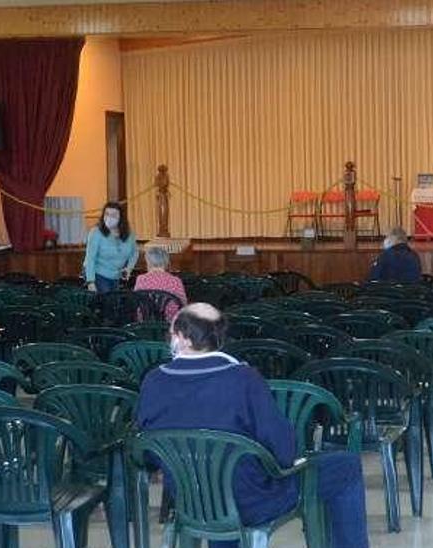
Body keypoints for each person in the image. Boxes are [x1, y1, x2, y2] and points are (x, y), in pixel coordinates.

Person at [137, 303, 370, 548]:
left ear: (183, 339)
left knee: (228, 478)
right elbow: (283, 453)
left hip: (189, 501)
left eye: (171, 333)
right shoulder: (244, 379)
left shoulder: (153, 381)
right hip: (252, 503)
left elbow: (146, 455)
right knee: (346, 465)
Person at [83, 202, 138, 293]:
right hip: (97, 274)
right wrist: (90, 282)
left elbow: (134, 253)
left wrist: (129, 268)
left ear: (121, 218)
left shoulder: (129, 234)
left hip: (116, 276)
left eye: (114, 215)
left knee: (115, 304)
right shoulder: (96, 232)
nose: (109, 217)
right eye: (107, 214)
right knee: (107, 303)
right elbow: (90, 258)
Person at [133, 246, 187, 322]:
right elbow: (183, 304)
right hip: (170, 321)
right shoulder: (175, 281)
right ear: (167, 262)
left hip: (146, 320)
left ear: (148, 262)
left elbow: (136, 301)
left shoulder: (141, 279)